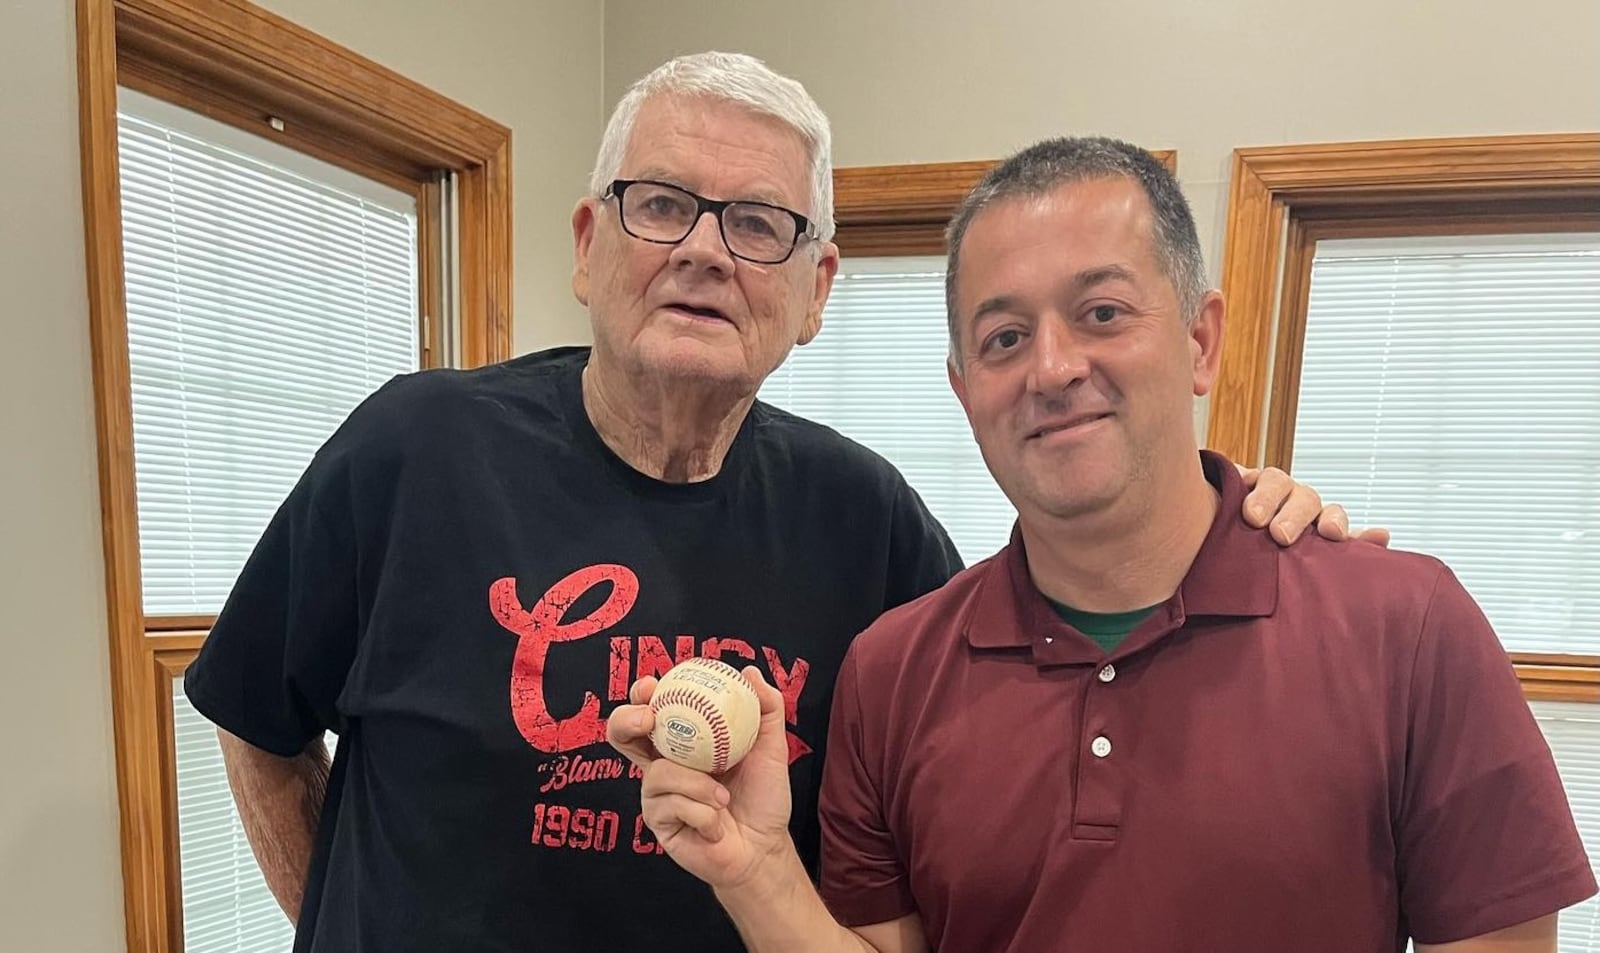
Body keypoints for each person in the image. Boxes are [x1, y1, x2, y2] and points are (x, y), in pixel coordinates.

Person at [187, 54, 1361, 953]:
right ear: (591, 244)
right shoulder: (414, 448)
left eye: (759, 225)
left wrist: (1231, 529)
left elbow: (1051, 665)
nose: (705, 252)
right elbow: (256, 715)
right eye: (659, 205)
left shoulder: (868, 519)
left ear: (815, 290)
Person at [610, 136, 1596, 953]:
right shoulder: (892, 668)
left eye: (1102, 313)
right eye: (1002, 337)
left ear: (1200, 340)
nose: (1052, 367)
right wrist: (758, 867)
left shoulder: (1408, 625)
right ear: (963, 389)